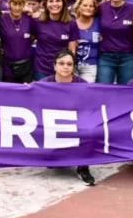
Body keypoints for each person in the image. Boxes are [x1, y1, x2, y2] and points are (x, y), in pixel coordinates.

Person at [37, 50, 94, 186]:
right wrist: (25, 91)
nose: (65, 67)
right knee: (54, 165)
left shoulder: (83, 84)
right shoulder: (43, 84)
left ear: (73, 67)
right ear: (54, 66)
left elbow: (90, 106)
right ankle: (55, 156)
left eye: (69, 64)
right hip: (52, 122)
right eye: (61, 63)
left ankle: (83, 167)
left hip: (76, 121)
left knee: (90, 130)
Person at [97, 0, 133, 86]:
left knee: (127, 89)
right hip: (106, 56)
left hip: (128, 56)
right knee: (103, 88)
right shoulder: (101, 8)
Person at [31, 0, 78, 81]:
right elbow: (28, 41)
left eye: (58, 1)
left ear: (63, 3)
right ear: (46, 4)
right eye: (51, 1)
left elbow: (72, 50)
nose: (54, 4)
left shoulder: (71, 23)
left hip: (62, 70)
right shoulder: (38, 22)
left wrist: (70, 68)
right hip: (41, 69)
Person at [0, 0, 34, 83]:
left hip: (26, 66)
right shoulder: (2, 19)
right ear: (9, 4)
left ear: (24, 5)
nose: (17, 8)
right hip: (8, 66)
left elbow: (34, 35)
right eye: (14, 4)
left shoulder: (29, 18)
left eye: (20, 4)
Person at [73, 0, 100, 83]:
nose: (88, 8)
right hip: (73, 65)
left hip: (91, 66)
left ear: (94, 9)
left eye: (91, 6)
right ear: (79, 7)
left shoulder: (99, 23)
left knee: (86, 89)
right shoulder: (71, 24)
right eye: (85, 5)